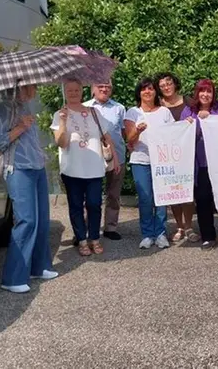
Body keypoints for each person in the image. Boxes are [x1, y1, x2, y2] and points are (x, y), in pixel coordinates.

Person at [0, 84, 57, 294]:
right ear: (19, 87)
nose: (35, 88)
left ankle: (39, 266)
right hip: (18, 168)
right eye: (31, 85)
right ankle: (13, 277)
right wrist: (19, 127)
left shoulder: (26, 107)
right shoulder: (3, 109)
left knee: (42, 219)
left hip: (36, 167)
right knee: (26, 220)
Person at [51, 78, 119, 256]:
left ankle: (94, 238)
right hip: (72, 168)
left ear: (83, 91)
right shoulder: (60, 114)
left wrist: (116, 158)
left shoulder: (94, 112)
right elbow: (61, 143)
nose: (73, 93)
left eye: (77, 89)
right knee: (75, 205)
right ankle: (81, 239)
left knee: (94, 204)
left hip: (94, 167)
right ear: (65, 92)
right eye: (70, 90)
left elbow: (107, 137)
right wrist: (64, 123)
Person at [180, 79, 218, 249]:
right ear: (197, 93)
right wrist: (187, 126)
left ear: (213, 94)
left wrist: (211, 118)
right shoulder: (189, 110)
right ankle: (208, 236)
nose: (205, 94)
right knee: (202, 200)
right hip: (200, 164)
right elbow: (180, 135)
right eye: (202, 91)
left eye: (209, 91)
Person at [125, 78, 174, 249]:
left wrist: (187, 125)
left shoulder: (164, 112)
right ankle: (147, 234)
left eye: (151, 89)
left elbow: (174, 134)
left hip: (162, 161)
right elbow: (129, 139)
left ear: (155, 92)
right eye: (144, 89)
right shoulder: (132, 112)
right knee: (145, 198)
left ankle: (160, 233)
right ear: (139, 93)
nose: (148, 92)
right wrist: (137, 131)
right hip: (140, 160)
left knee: (161, 198)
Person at [156, 71, 198, 243]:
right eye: (162, 85)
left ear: (175, 83)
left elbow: (198, 119)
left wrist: (191, 122)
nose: (166, 87)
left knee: (187, 190)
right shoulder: (158, 105)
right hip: (166, 156)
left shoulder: (188, 101)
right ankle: (179, 226)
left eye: (169, 83)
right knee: (172, 192)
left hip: (187, 153)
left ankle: (189, 226)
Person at [84, 80, 127, 241]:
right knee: (90, 195)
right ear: (93, 88)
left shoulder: (119, 108)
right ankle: (87, 228)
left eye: (108, 86)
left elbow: (123, 132)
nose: (104, 89)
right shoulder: (84, 107)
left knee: (113, 194)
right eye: (100, 86)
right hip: (92, 157)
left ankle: (110, 227)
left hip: (117, 157)